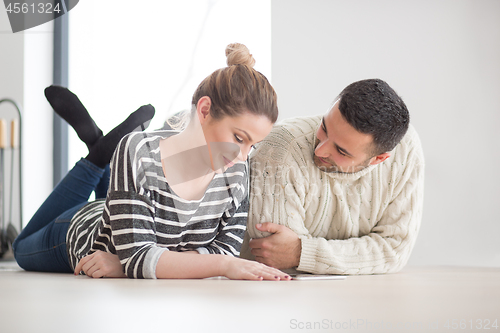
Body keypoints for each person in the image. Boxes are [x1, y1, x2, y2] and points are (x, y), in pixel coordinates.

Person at [13, 43, 291, 281]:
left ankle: (99, 148)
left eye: (252, 145)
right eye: (238, 138)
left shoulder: (237, 172)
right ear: (205, 110)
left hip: (125, 214)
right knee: (20, 247)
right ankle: (96, 160)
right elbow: (140, 256)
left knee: (125, 191)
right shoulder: (139, 153)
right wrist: (220, 266)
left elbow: (223, 248)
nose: (243, 156)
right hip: (84, 231)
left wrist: (131, 264)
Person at [241, 79, 425, 275]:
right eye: (325, 128)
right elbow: (275, 255)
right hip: (268, 293)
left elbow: (394, 249)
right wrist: (354, 257)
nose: (320, 150)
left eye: (341, 150)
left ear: (379, 158)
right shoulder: (282, 147)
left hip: (357, 295)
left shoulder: (404, 151)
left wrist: (302, 252)